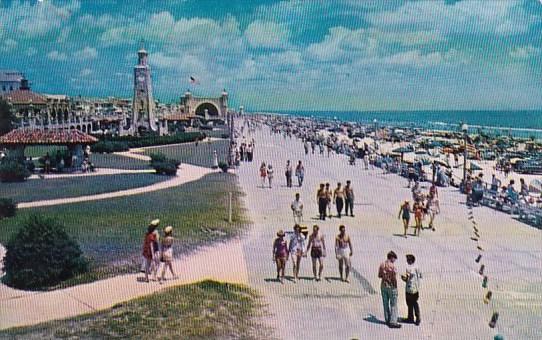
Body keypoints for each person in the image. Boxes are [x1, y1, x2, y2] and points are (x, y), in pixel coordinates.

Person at [378, 251, 401, 328]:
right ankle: (393, 321)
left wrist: (385, 276)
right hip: (391, 287)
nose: (394, 260)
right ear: (392, 257)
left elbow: (379, 275)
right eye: (394, 259)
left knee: (385, 303)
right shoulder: (393, 267)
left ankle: (387, 319)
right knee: (393, 304)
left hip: (383, 285)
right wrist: (395, 287)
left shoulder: (382, 265)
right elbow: (394, 278)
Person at [401, 254, 422, 325]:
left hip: (410, 289)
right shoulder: (417, 267)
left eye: (407, 260)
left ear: (410, 260)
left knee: (409, 304)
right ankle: (417, 317)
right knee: (415, 303)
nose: (406, 261)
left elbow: (406, 278)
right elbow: (421, 276)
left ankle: (411, 317)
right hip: (416, 288)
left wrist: (402, 278)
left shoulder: (409, 268)